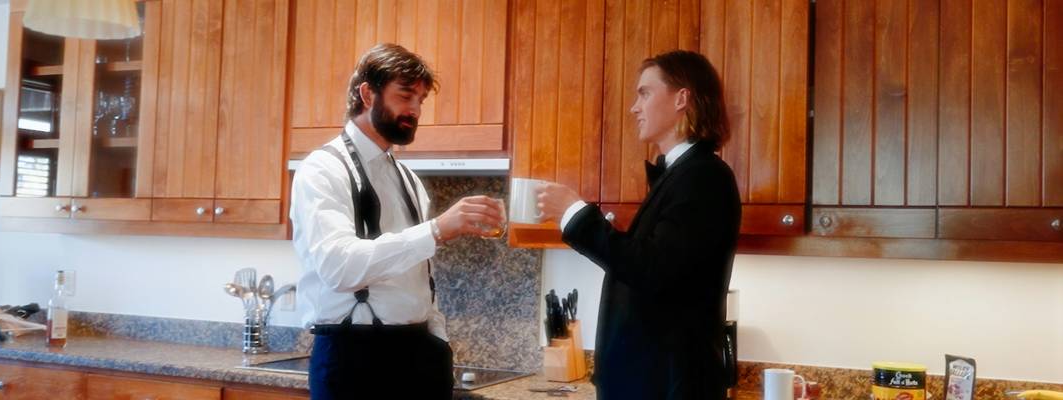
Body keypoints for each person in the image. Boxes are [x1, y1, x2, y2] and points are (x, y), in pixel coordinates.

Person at [290, 43, 505, 400]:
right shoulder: (322, 169)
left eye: (421, 100)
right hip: (354, 362)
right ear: (367, 93)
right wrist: (436, 230)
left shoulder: (407, 179)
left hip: (419, 357)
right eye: (405, 96)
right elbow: (338, 266)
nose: (415, 110)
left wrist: (438, 339)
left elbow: (421, 277)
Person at [536, 50, 742, 399]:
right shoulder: (683, 174)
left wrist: (574, 214)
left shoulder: (704, 176)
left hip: (668, 387)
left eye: (645, 93)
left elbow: (651, 268)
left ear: (681, 98)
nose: (634, 107)